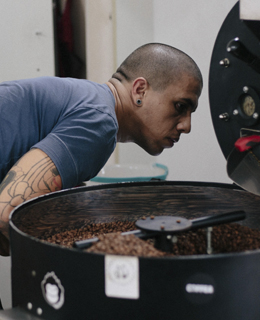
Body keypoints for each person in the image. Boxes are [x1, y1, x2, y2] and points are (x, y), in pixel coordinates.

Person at [0, 43, 202, 257]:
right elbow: (8, 216)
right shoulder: (99, 122)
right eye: (180, 106)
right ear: (139, 90)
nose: (186, 126)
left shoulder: (90, 103)